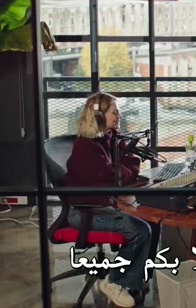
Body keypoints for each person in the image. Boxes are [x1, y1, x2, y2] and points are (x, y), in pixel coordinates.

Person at [65, 91, 161, 308]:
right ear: (99, 116)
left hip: (100, 205)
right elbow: (115, 177)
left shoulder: (107, 138)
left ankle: (135, 279)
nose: (119, 116)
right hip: (83, 212)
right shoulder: (86, 147)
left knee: (153, 224)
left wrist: (125, 164)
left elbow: (126, 162)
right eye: (115, 112)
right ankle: (115, 282)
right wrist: (127, 167)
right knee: (140, 230)